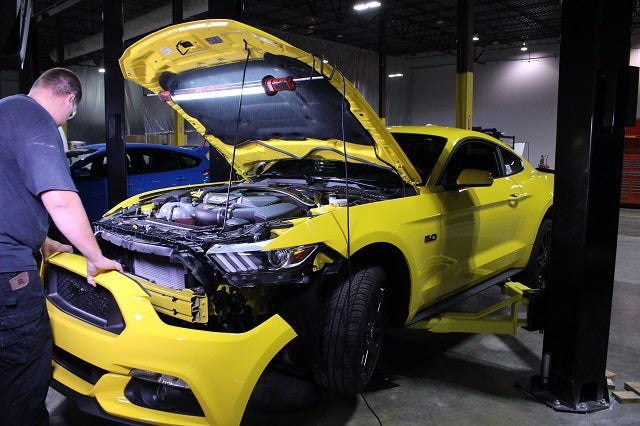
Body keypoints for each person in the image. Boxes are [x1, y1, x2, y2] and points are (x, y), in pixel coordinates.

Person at [0, 67, 122, 425]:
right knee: (22, 373)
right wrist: (95, 256)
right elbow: (61, 200)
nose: (66, 121)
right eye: (71, 114)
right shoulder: (37, 122)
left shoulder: (5, 110)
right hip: (5, 274)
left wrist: (45, 242)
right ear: (70, 99)